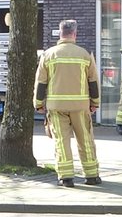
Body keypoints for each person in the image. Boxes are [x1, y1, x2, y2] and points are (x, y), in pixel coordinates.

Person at [34, 20, 101, 187]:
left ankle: (66, 177)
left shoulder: (48, 55)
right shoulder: (85, 54)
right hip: (80, 106)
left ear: (60, 33)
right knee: (85, 140)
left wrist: (38, 103)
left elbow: (41, 82)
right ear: (75, 34)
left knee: (61, 141)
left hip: (57, 107)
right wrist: (95, 103)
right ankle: (92, 175)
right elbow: (93, 82)